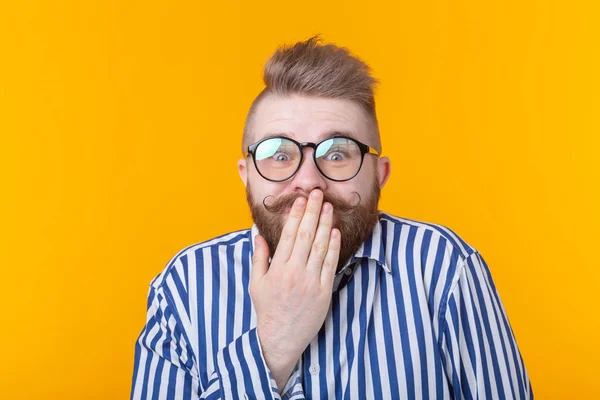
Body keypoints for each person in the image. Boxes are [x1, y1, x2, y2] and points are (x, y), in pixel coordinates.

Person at [130, 36, 533, 399]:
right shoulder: (184, 286)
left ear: (380, 175)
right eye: (280, 154)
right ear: (246, 175)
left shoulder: (445, 268)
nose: (308, 181)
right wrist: (274, 341)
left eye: (337, 153)